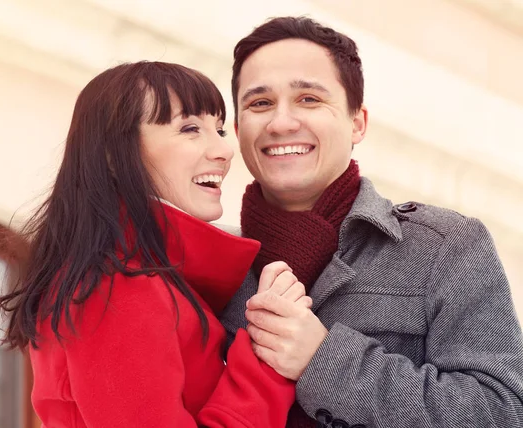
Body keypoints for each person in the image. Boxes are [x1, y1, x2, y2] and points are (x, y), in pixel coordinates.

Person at [219, 16, 523, 428]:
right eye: (260, 104)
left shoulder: (444, 247)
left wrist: (324, 360)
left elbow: (503, 412)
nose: (281, 122)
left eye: (309, 99)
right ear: (238, 130)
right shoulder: (207, 268)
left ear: (357, 122)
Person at [0, 61, 312, 427]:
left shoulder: (135, 277)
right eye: (190, 128)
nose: (224, 149)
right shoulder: (116, 287)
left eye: (219, 129)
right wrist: (266, 357)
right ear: (114, 154)